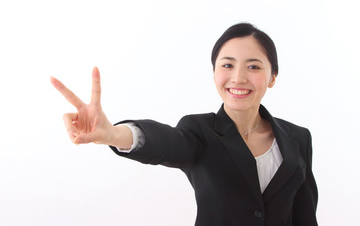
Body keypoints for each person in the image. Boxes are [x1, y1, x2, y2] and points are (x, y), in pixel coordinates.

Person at [51, 23, 318, 226]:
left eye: (253, 67)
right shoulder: (198, 132)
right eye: (227, 65)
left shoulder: (298, 138)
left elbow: (305, 216)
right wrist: (113, 135)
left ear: (272, 77)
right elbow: (165, 142)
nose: (237, 78)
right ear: (215, 72)